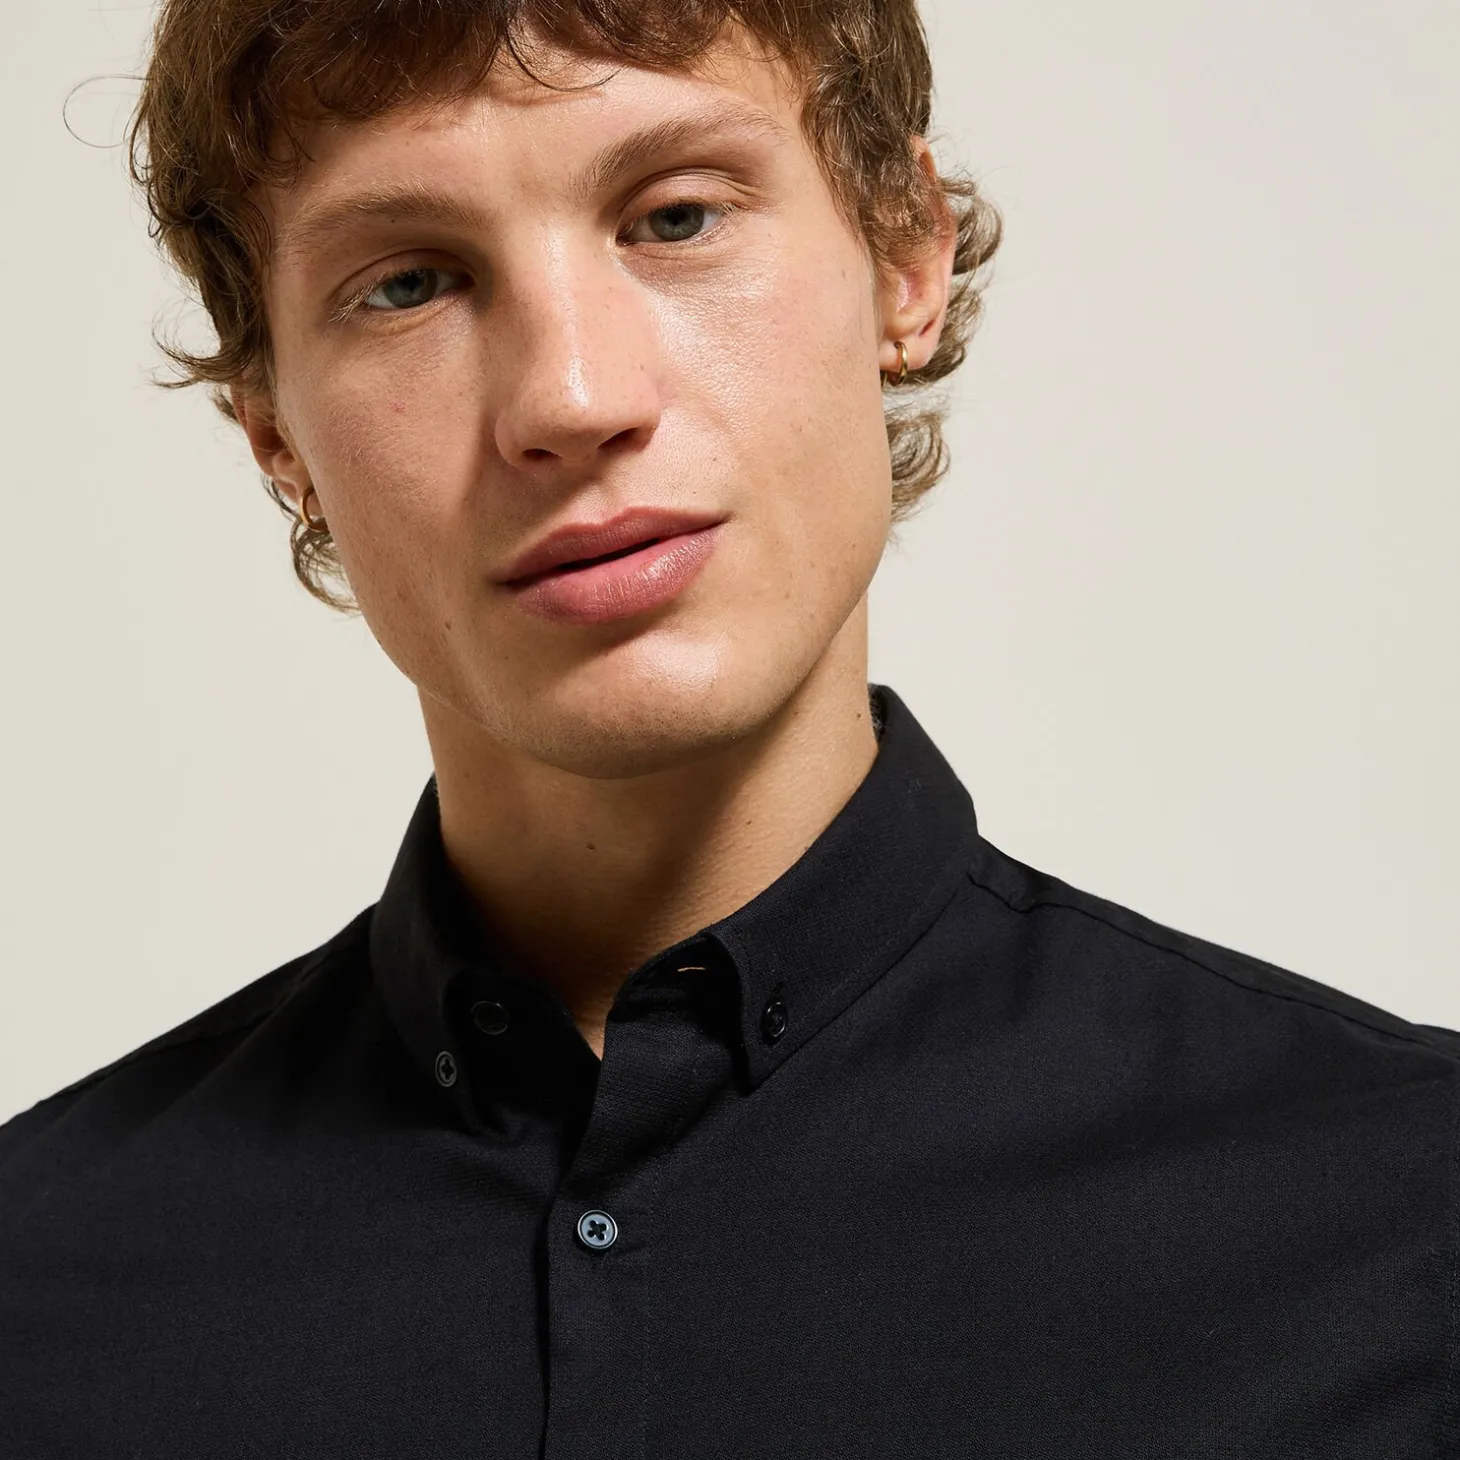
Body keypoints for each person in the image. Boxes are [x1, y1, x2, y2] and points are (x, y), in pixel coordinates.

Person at [2, 1, 1455, 1455]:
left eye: (677, 216)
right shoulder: (34, 1292)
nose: (572, 398)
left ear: (906, 256)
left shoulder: (1408, 1222)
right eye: (410, 284)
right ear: (274, 431)